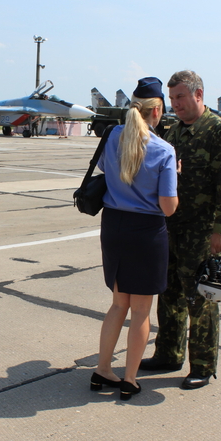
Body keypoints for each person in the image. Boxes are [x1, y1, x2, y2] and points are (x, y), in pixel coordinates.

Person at [140, 70, 221, 389]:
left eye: (181, 97)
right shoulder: (174, 131)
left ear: (198, 95)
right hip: (171, 227)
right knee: (168, 293)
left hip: (201, 232)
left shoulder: (217, 130)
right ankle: (168, 354)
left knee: (200, 298)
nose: (176, 104)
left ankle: (202, 365)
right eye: (172, 99)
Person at [90, 77, 179, 400]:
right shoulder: (163, 150)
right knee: (141, 311)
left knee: (118, 304)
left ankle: (102, 369)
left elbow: (105, 170)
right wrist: (175, 175)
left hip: (113, 226)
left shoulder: (113, 135)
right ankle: (130, 378)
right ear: (157, 111)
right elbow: (168, 208)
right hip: (146, 232)